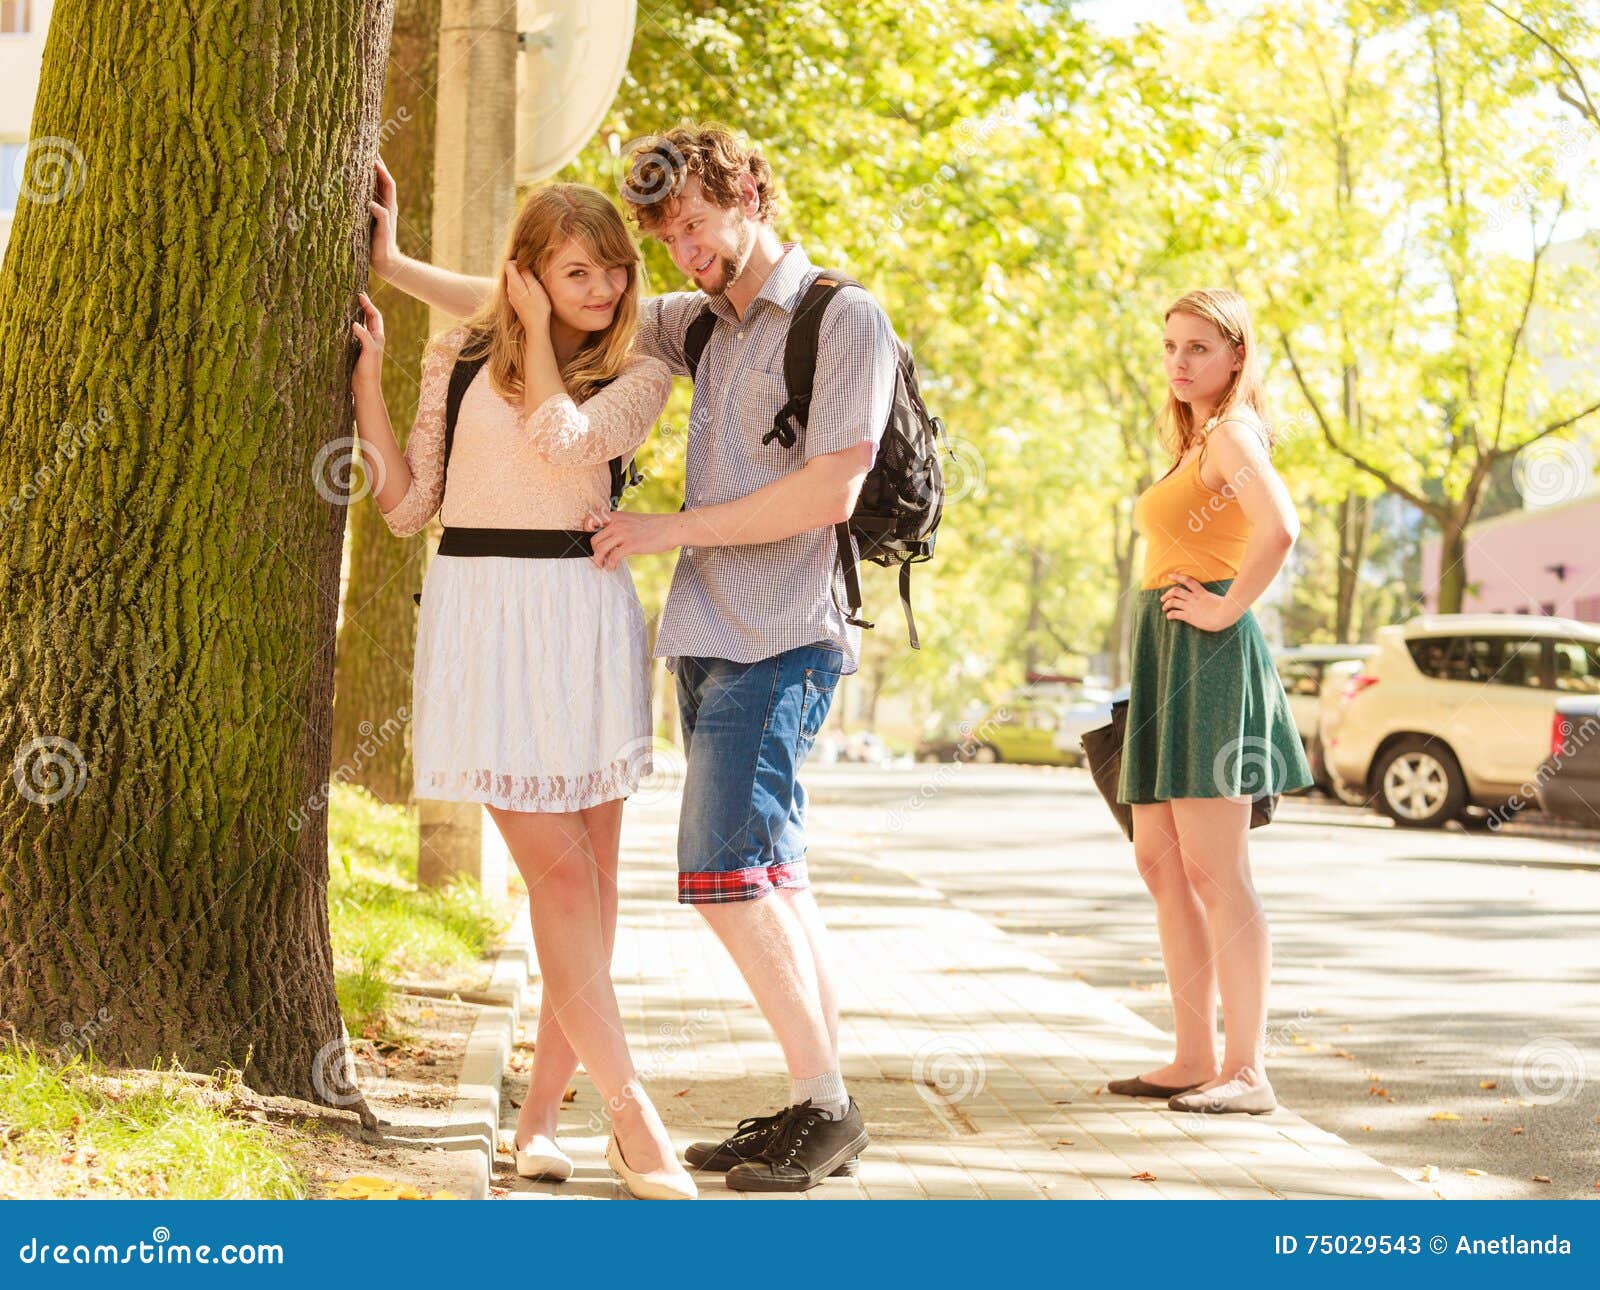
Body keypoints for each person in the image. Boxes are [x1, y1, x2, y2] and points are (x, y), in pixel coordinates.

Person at [369, 125, 896, 1191]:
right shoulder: (677, 322)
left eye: (685, 231)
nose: (670, 260)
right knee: (717, 883)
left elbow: (819, 489)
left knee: (674, 885)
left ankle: (810, 1107)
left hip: (720, 626)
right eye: (670, 239)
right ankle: (706, 1111)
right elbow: (520, 307)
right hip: (628, 626)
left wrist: (665, 530)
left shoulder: (761, 331)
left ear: (748, 191)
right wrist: (386, 286)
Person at [351, 180, 695, 1199]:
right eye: (574, 271)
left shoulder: (639, 371)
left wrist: (538, 328)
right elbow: (412, 506)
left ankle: (538, 1126)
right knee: (558, 879)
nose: (601, 287)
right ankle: (635, 1121)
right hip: (484, 619)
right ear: (527, 274)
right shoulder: (453, 358)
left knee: (592, 887)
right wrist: (365, 381)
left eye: (612, 269)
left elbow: (563, 442)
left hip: (580, 621)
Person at [1108, 287, 1312, 1116]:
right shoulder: (1198, 439)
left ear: (1236, 356)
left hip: (1210, 653)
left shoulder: (1231, 433)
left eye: (1199, 347)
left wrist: (1228, 608)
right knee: (1161, 863)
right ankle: (1194, 1054)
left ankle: (1248, 1071)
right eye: (1170, 346)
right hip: (1168, 650)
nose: (1180, 362)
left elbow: (1283, 528)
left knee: (1216, 870)